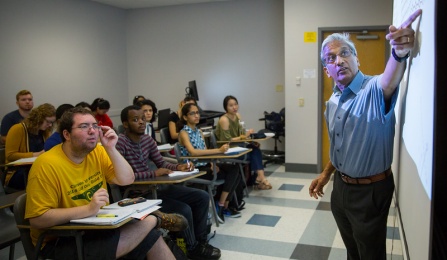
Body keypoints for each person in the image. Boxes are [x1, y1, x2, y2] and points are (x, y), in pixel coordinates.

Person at [309, 10, 422, 260]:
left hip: (370, 192)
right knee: (353, 250)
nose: (338, 60)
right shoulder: (333, 101)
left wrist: (399, 52)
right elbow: (341, 146)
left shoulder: (373, 89)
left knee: (370, 254)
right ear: (327, 70)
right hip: (341, 188)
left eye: (344, 53)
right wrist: (327, 174)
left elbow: (390, 79)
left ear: (356, 58)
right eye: (330, 58)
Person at [25, 107, 188, 259]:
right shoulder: (46, 165)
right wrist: (88, 209)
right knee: (148, 227)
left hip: (96, 228)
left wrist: (111, 148)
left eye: (95, 126)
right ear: (67, 134)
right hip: (61, 240)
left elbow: (126, 179)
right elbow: (38, 219)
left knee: (151, 237)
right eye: (83, 126)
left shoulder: (98, 151)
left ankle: (153, 220)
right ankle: (154, 219)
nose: (92, 131)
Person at [116, 105, 221, 260]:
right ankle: (191, 248)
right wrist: (152, 173)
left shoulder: (147, 140)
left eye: (143, 119)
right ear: (125, 124)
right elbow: (122, 178)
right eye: (135, 120)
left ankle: (200, 243)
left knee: (202, 197)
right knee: (183, 209)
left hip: (156, 189)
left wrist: (179, 166)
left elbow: (162, 163)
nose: (141, 123)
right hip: (137, 197)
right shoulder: (120, 143)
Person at [178, 103, 241, 223]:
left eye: (197, 113)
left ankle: (222, 204)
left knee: (235, 168)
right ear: (185, 117)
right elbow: (193, 152)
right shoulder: (183, 133)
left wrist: (212, 163)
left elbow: (206, 151)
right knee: (230, 175)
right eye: (192, 113)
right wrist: (218, 150)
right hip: (195, 169)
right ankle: (222, 206)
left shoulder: (199, 131)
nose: (196, 115)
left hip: (206, 165)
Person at [215, 95, 272, 190]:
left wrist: (249, 138)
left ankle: (259, 177)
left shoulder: (237, 116)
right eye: (231, 105)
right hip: (228, 149)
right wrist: (244, 137)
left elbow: (241, 134)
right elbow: (227, 140)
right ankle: (260, 177)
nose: (234, 107)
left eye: (236, 104)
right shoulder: (224, 120)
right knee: (254, 152)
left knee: (255, 148)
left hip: (239, 146)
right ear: (226, 107)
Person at [5, 103, 56, 190]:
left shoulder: (45, 131)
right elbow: (10, 156)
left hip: (38, 168)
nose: (50, 125)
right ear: (38, 119)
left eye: (52, 122)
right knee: (44, 178)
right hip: (17, 172)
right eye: (48, 121)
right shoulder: (17, 129)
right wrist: (36, 154)